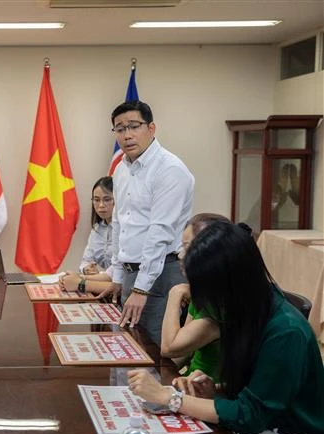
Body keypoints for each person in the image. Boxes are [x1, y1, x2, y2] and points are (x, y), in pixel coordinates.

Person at [128, 222, 324, 434]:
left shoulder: (286, 332)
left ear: (228, 285)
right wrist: (216, 389)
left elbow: (251, 415)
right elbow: (258, 387)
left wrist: (168, 397)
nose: (200, 299)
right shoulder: (245, 309)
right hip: (260, 430)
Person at [101, 100, 194, 346]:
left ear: (151, 128)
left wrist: (141, 290)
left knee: (153, 353)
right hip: (132, 273)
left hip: (161, 274)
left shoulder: (170, 169)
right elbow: (120, 224)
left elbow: (159, 233)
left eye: (134, 126)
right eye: (120, 129)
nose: (127, 135)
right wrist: (118, 277)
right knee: (126, 348)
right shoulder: (121, 168)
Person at [160, 213, 231, 381]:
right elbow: (183, 352)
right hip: (188, 380)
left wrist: (175, 293)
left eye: (188, 248)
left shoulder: (220, 303)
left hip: (208, 393)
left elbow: (169, 347)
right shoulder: (203, 289)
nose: (180, 255)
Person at [60, 176, 115, 294]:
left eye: (107, 199)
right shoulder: (97, 229)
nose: (101, 205)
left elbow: (114, 273)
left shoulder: (124, 230)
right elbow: (85, 261)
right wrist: (86, 270)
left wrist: (78, 279)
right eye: (96, 199)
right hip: (100, 288)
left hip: (120, 289)